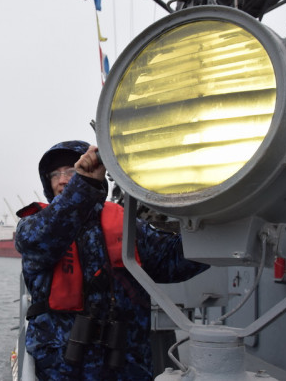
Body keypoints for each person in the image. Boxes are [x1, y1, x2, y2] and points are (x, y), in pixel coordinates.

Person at [15, 140, 209, 380]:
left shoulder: (128, 226)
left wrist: (216, 220)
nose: (62, 180)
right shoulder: (33, 225)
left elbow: (173, 262)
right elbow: (41, 239)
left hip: (127, 367)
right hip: (62, 370)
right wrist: (84, 185)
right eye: (55, 174)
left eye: (71, 171)